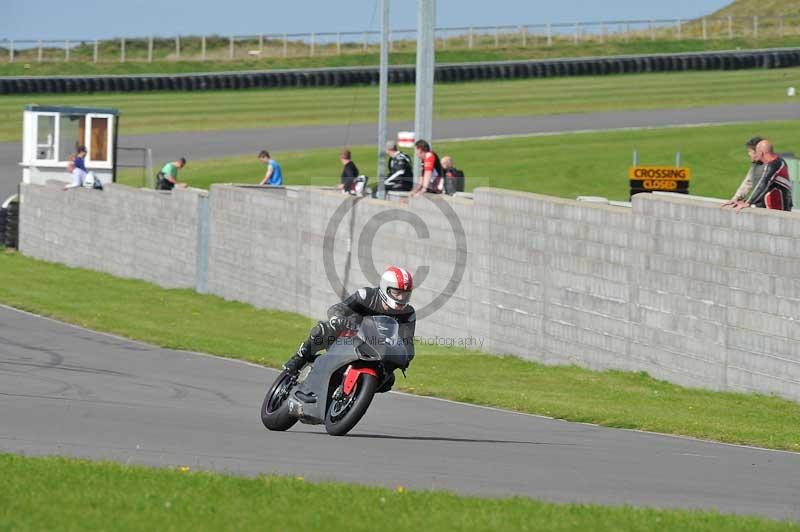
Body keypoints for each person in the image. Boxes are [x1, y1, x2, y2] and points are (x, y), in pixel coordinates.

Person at [282, 266, 416, 391]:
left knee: (388, 380)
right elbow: (338, 308)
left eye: (405, 294)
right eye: (397, 293)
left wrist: (405, 356)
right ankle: (300, 358)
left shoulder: (408, 314)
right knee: (323, 330)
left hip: (377, 349)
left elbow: (408, 344)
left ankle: (355, 394)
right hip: (349, 337)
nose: (401, 298)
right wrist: (340, 318)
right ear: (385, 288)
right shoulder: (366, 295)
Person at [734, 139, 793, 212]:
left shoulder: (774, 165)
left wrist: (748, 202)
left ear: (761, 153)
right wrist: (736, 199)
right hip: (774, 205)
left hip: (779, 208)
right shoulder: (775, 162)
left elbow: (763, 183)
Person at [721, 137, 763, 208]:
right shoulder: (756, 165)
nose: (748, 154)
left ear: (758, 152)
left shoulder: (769, 166)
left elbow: (761, 186)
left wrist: (748, 202)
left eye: (750, 151)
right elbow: (748, 182)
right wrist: (735, 198)